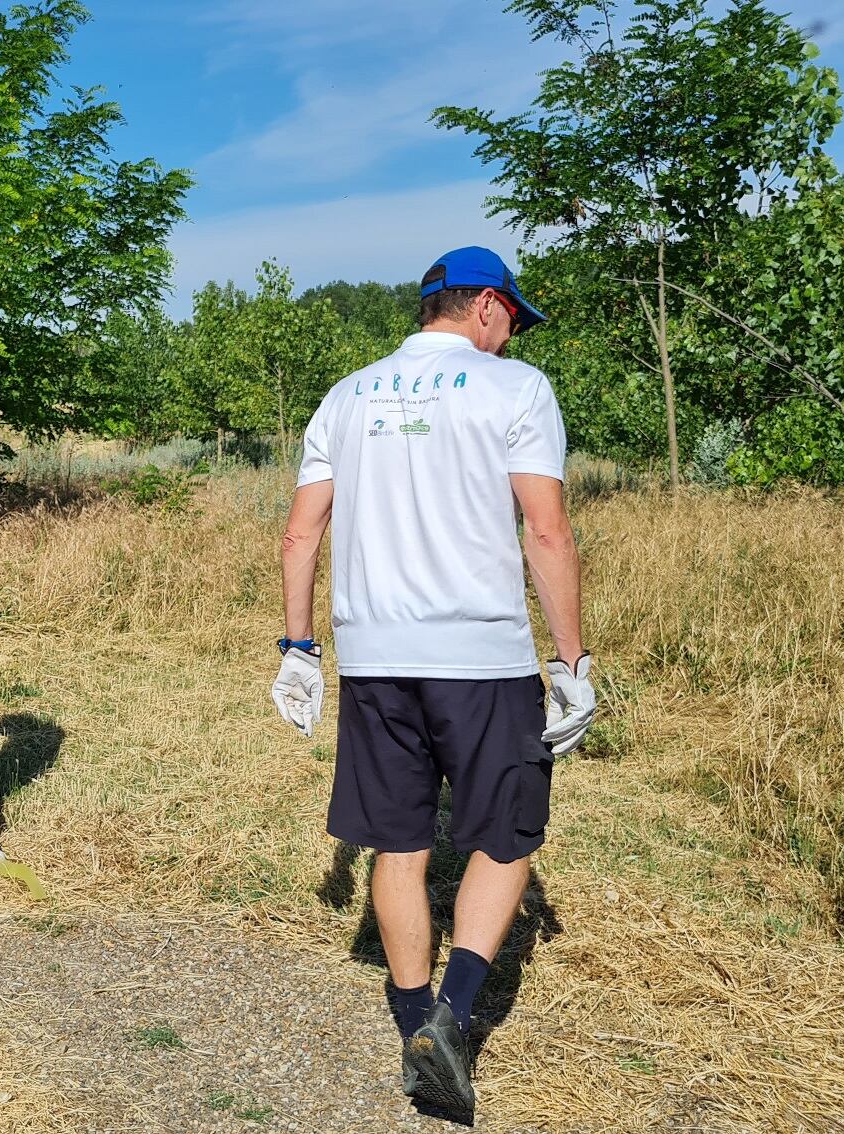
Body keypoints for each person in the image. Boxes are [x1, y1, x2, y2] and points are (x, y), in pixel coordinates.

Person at [272, 247, 596, 1116]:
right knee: (506, 835)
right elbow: (547, 532)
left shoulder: (345, 396)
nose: (511, 336)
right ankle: (450, 1018)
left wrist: (298, 647)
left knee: (399, 840)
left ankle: (412, 1012)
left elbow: (301, 535)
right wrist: (571, 663)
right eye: (513, 320)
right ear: (486, 306)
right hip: (482, 658)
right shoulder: (515, 388)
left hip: (374, 657)